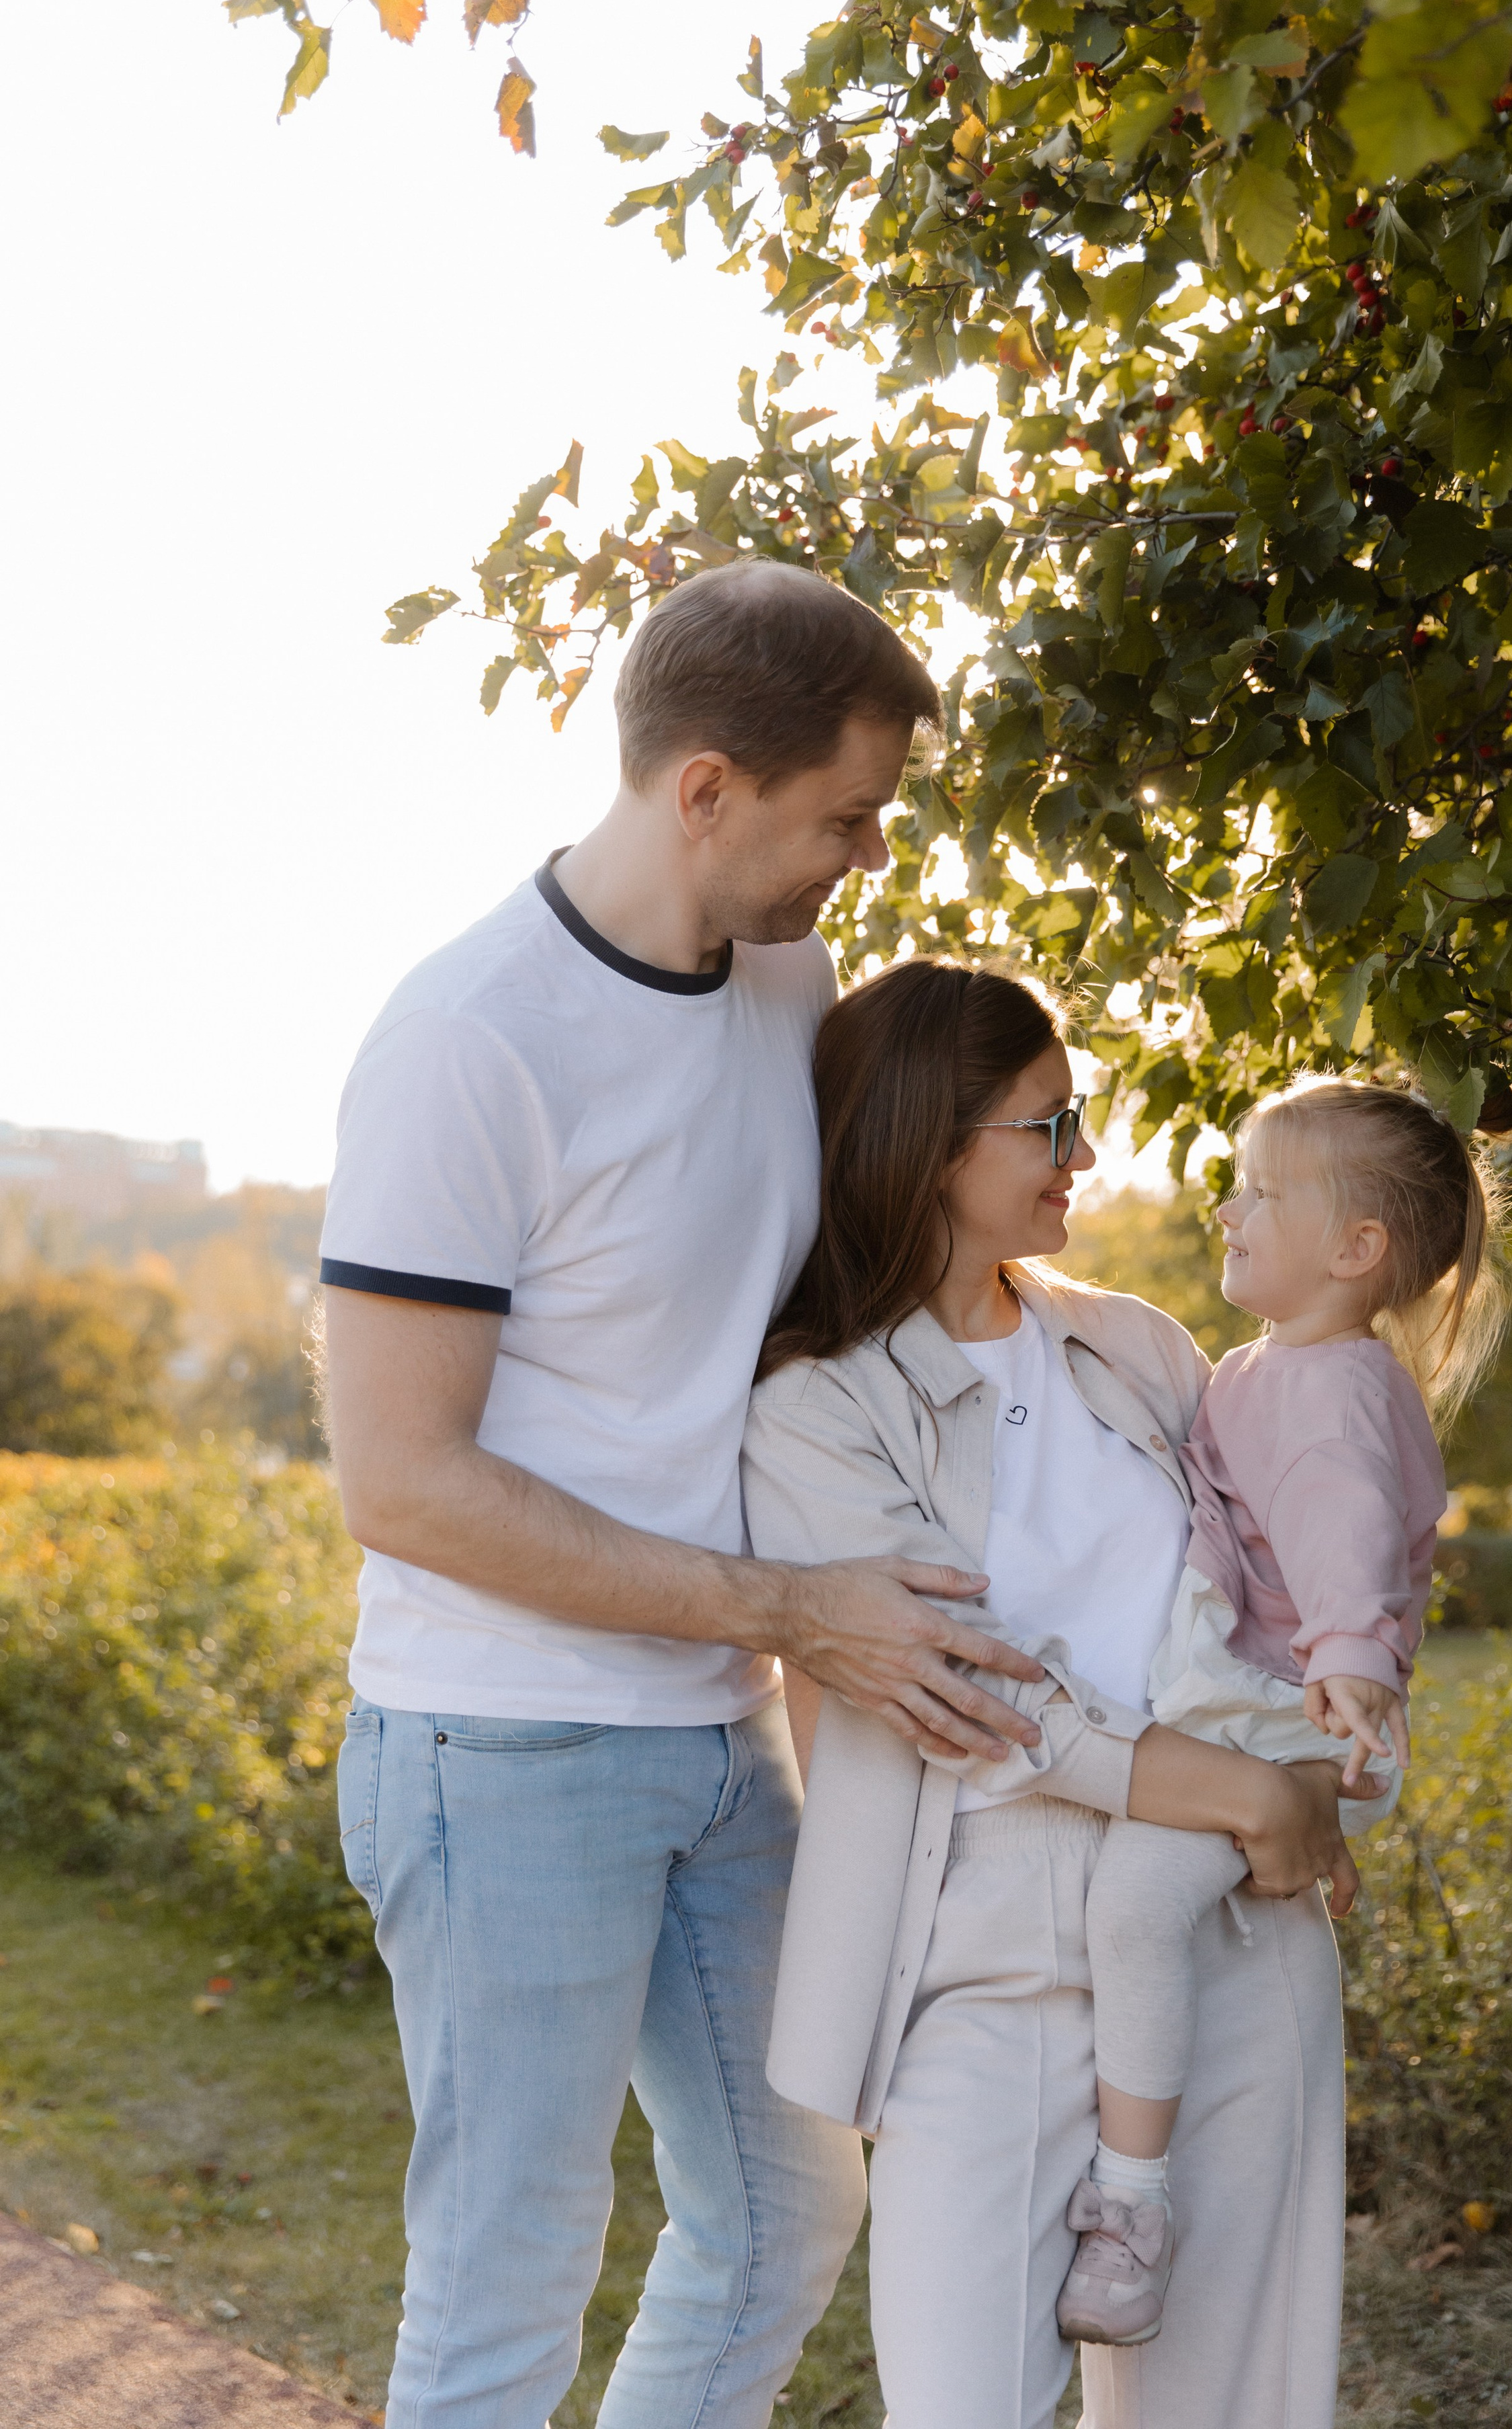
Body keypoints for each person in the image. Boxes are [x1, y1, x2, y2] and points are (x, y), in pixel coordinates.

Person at [318, 563, 1048, 2429]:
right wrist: (798, 1613)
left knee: (785, 2211)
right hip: (501, 1753)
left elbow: (886, 1257)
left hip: (719, 1743)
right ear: (707, 787)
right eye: (847, 817)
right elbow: (400, 1483)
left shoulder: (789, 989)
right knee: (508, 2285)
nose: (867, 858)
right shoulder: (468, 1040)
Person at [742, 958, 1380, 2429]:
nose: (1082, 1157)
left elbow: (1266, 1607)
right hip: (981, 1960)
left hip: (1224, 1931)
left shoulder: (1140, 1348)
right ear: (930, 1139)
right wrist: (1236, 1787)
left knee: (1228, 2410)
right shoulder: (817, 1407)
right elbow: (957, 1696)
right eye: (1048, 1124)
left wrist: (1309, 1756)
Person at [1056, 1073, 1507, 2349]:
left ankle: (1129, 2209)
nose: (1230, 1207)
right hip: (1274, 1706)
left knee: (1136, 1906)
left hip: (1279, 1703)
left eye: (1263, 1193)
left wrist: (1354, 1668)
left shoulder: (1332, 1390)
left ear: (1356, 1251)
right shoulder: (1275, 1365)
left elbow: (1349, 1526)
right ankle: (1312, 1822)